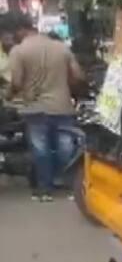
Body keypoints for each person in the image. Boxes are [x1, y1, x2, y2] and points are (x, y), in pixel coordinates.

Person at [7, 13, 84, 201]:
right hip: (62, 105)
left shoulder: (18, 51)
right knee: (66, 147)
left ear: (20, 30)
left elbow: (16, 82)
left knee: (40, 149)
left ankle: (45, 190)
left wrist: (10, 94)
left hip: (34, 108)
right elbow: (79, 76)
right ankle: (69, 188)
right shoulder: (61, 47)